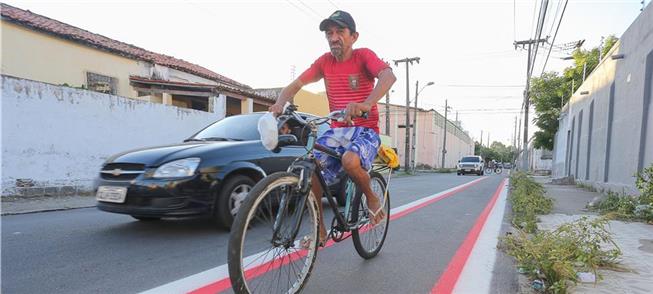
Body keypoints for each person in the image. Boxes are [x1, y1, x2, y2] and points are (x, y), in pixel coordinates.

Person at [269, 10, 396, 246]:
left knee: (350, 161)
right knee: (312, 167)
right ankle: (320, 230)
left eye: (340, 32)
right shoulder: (324, 62)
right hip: (336, 131)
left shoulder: (363, 56)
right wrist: (279, 103)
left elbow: (388, 76)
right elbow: (295, 85)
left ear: (353, 36)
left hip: (365, 130)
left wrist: (366, 103)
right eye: (329, 33)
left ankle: (372, 198)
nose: (333, 37)